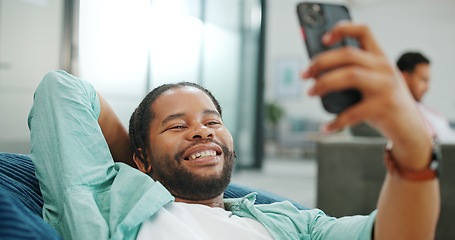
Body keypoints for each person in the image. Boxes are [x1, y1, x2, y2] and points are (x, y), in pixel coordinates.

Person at [28, 22, 439, 240]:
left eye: (212, 122)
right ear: (141, 157)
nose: (201, 133)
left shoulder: (291, 225)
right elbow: (62, 89)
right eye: (177, 126)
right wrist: (143, 168)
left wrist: (412, 142)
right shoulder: (104, 203)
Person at [397, 51, 455, 142]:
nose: (427, 88)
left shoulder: (426, 111)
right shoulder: (397, 112)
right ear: (404, 77)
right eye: (423, 80)